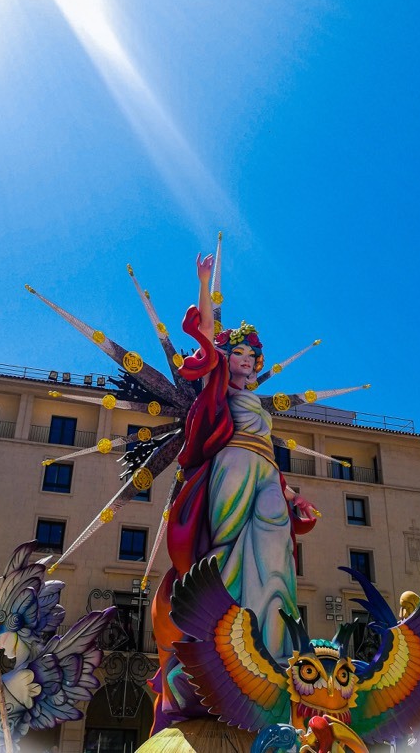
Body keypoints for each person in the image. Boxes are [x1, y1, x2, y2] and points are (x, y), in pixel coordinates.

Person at [150, 253, 318, 732]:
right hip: (232, 468)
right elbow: (203, 331)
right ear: (228, 359)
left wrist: (291, 500)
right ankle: (216, 632)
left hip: (265, 472)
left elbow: (270, 452)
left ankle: (270, 647)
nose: (245, 362)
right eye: (238, 355)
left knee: (276, 555)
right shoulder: (219, 385)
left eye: (251, 358)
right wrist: (203, 282)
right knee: (225, 549)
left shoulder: (257, 404)